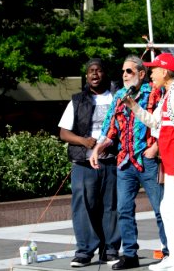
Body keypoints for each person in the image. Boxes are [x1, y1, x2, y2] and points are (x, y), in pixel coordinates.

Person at [123, 53, 174, 271]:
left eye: (154, 69)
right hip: (171, 166)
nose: (151, 73)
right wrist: (133, 106)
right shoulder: (167, 95)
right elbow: (154, 121)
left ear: (166, 72)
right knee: (168, 210)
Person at [89, 54, 168, 270]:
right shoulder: (120, 96)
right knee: (124, 209)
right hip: (124, 162)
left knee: (161, 209)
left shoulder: (155, 92)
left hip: (147, 159)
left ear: (141, 74)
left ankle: (170, 252)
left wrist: (155, 148)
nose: (124, 75)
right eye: (123, 71)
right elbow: (109, 129)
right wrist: (97, 149)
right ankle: (130, 254)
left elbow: (168, 123)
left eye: (129, 71)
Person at [58, 58, 121, 267]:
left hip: (111, 160)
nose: (94, 74)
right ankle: (84, 251)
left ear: (105, 74)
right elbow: (64, 132)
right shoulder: (77, 100)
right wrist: (83, 141)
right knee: (83, 206)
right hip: (83, 163)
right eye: (90, 71)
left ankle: (110, 250)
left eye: (99, 71)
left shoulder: (117, 98)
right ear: (86, 76)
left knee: (111, 206)